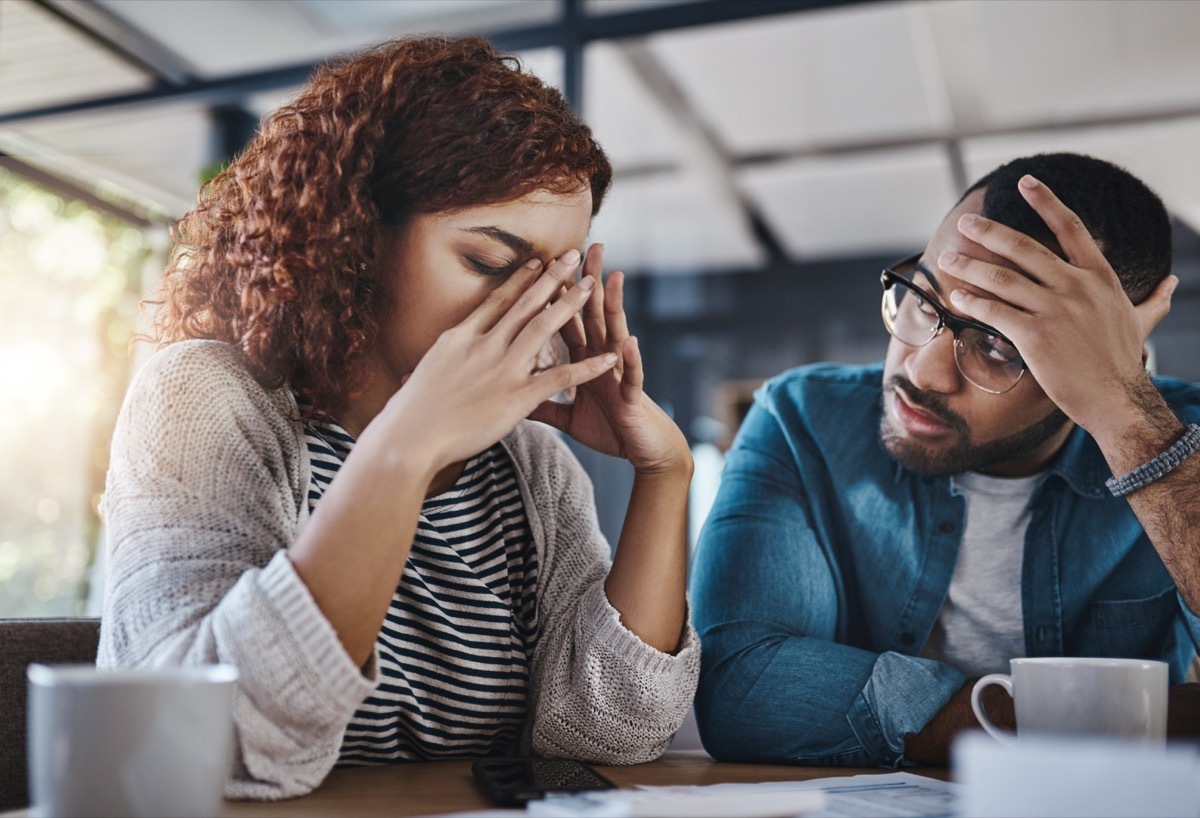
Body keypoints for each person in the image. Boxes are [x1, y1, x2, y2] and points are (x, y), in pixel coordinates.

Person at [98, 35, 698, 799]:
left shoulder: (531, 469)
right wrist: (405, 449)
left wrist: (664, 473)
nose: (528, 310)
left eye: (553, 279)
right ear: (355, 236)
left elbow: (606, 735)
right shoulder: (203, 399)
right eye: (487, 262)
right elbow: (209, 740)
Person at [690, 152, 1200, 767]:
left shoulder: (1180, 442)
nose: (920, 371)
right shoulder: (802, 420)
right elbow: (744, 691)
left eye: (995, 343)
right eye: (924, 301)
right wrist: (1119, 719)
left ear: (1104, 356)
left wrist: (1127, 415)